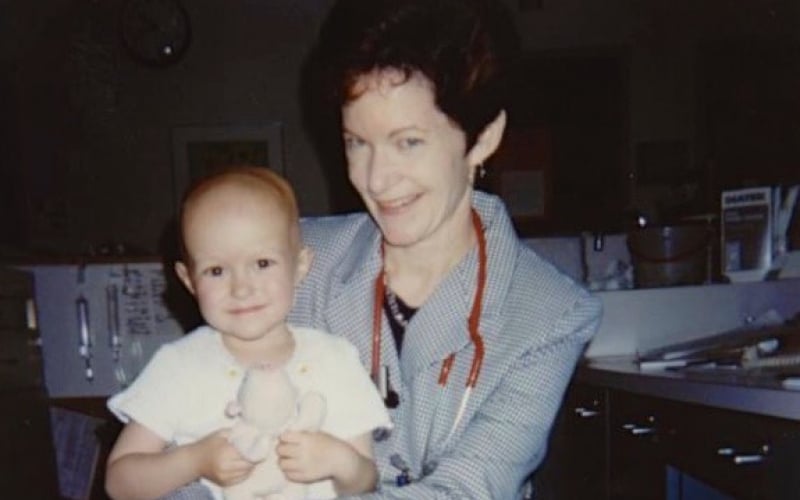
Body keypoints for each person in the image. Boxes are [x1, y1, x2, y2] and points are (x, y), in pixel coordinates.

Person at [290, 0, 604, 498]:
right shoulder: (294, 263)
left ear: (483, 138)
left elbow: (467, 491)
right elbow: (198, 441)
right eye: (357, 143)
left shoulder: (549, 314)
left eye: (408, 142)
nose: (375, 179)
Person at [104, 166, 392, 500]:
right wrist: (195, 460)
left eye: (262, 264)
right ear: (188, 281)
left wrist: (340, 462)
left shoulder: (335, 359)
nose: (241, 288)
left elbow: (366, 480)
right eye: (216, 270)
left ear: (299, 265)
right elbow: (119, 482)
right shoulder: (178, 366)